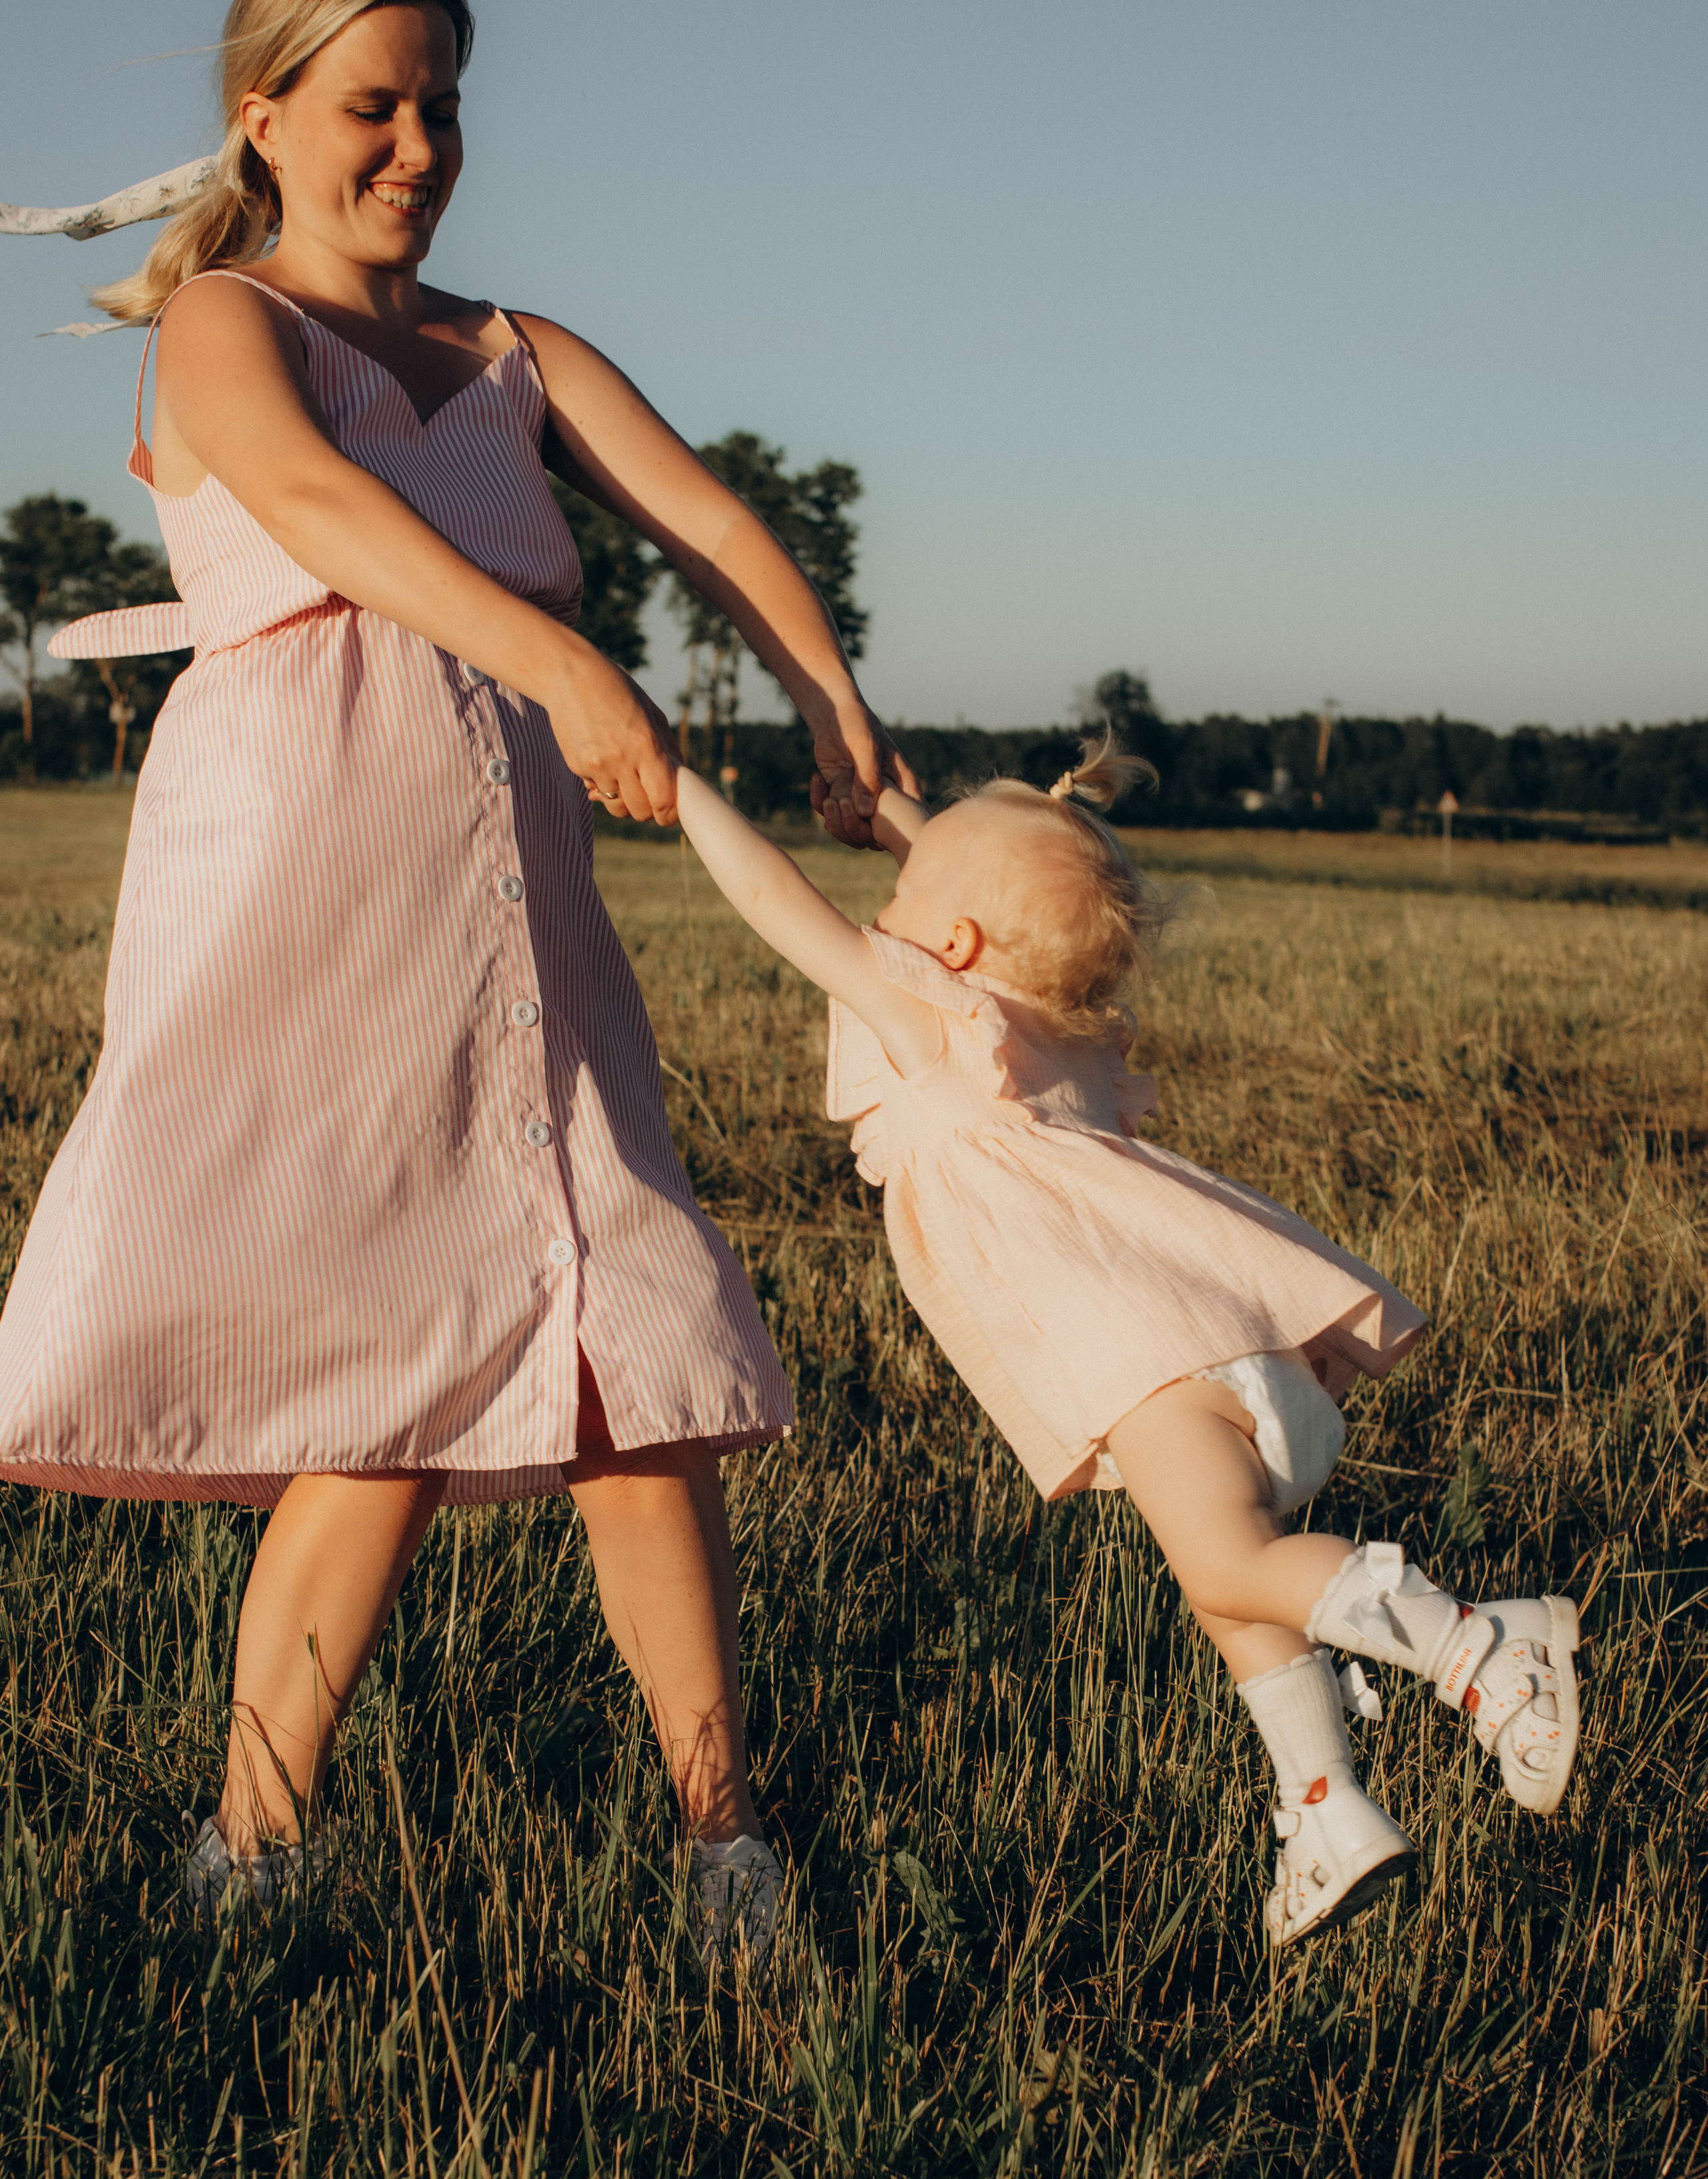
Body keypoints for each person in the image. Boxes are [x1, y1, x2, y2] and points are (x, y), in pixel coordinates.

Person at [0, 0, 916, 1969]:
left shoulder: (518, 352)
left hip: (520, 907)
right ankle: (248, 1861)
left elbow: (715, 522)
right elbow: (319, 514)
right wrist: (574, 665)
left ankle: (726, 1855)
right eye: (371, 106)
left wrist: (835, 708)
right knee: (380, 1381)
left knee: (637, 1347)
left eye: (441, 105)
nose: (416, 144)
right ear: (268, 120)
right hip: (306, 891)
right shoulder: (229, 323)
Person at [671, 746, 1583, 1945]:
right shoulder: (1045, 1023)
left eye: (895, 902)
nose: (875, 924)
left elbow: (776, 901)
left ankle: (1484, 1649)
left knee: (1224, 1574)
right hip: (1222, 1351)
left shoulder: (937, 1025)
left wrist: (676, 779)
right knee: (1237, 1592)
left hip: (1152, 1367)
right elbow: (987, 902)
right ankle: (1325, 1807)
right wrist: (897, 823)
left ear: (948, 950)